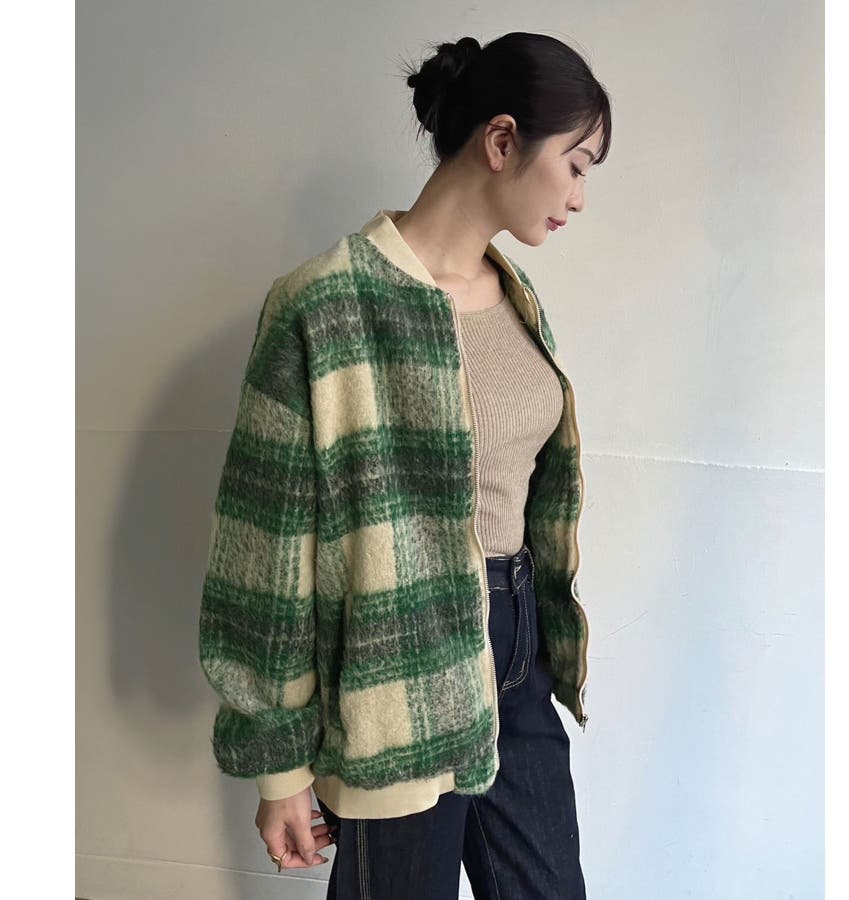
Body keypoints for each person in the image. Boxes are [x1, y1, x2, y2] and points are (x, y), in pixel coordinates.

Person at [198, 30, 611, 899]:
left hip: (516, 658)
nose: (580, 196)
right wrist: (279, 767)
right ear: (502, 141)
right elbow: (263, 549)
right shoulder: (326, 305)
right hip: (396, 678)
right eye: (575, 164)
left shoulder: (515, 295)